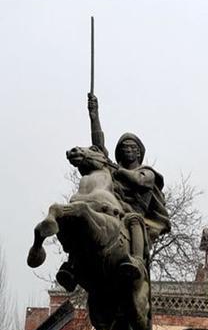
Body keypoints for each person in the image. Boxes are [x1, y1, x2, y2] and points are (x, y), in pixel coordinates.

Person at [55, 94, 170, 290]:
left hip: (134, 215)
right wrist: (94, 115)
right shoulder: (112, 170)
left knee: (134, 220)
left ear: (139, 152)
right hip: (112, 211)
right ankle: (72, 264)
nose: (128, 150)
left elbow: (138, 180)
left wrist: (118, 170)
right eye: (124, 147)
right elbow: (98, 148)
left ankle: (136, 262)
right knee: (86, 220)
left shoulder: (147, 173)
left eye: (132, 147)